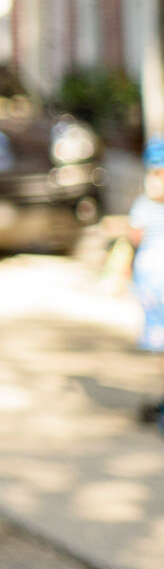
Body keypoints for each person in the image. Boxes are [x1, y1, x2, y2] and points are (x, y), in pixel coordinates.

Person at [131, 140, 164, 433]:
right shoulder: (144, 205)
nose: (155, 181)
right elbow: (134, 238)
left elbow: (135, 237)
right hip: (154, 288)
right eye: (152, 174)